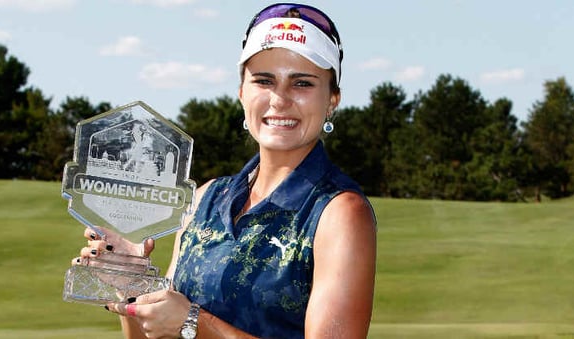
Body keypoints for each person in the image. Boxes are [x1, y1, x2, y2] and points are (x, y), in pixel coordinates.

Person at [76, 3, 376, 338]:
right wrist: (134, 288)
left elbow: (187, 324)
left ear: (332, 100)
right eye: (264, 81)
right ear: (241, 93)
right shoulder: (206, 198)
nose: (279, 99)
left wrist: (193, 322)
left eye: (302, 83)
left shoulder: (338, 212)